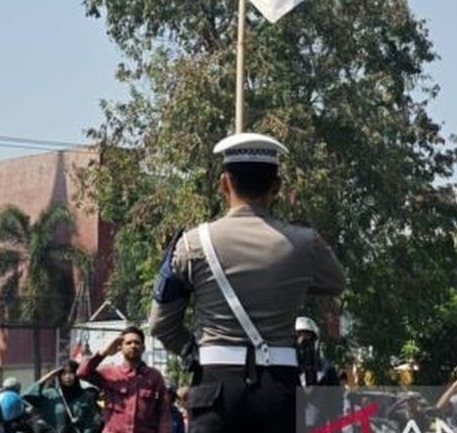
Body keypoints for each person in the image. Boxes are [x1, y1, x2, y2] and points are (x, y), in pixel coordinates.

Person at [148, 133, 347, 433]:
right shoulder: (305, 244)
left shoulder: (192, 245)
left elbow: (161, 325)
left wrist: (193, 349)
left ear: (224, 183)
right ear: (277, 186)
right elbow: (336, 283)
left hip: (215, 387)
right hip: (280, 389)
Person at [77, 327, 172, 433]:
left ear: (143, 348)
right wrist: (103, 353)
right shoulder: (109, 373)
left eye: (137, 342)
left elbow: (164, 413)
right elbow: (82, 372)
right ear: (121, 347)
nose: (133, 346)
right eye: (128, 343)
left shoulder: (154, 377)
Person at [24, 361, 101, 433]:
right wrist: (49, 376)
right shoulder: (51, 395)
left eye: (71, 373)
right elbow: (28, 397)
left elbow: (93, 422)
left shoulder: (86, 397)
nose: (67, 377)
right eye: (63, 374)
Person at [294, 317, 343, 432]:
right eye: (298, 336)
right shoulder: (286, 368)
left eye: (307, 336)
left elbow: (335, 409)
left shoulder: (327, 370)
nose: (302, 341)